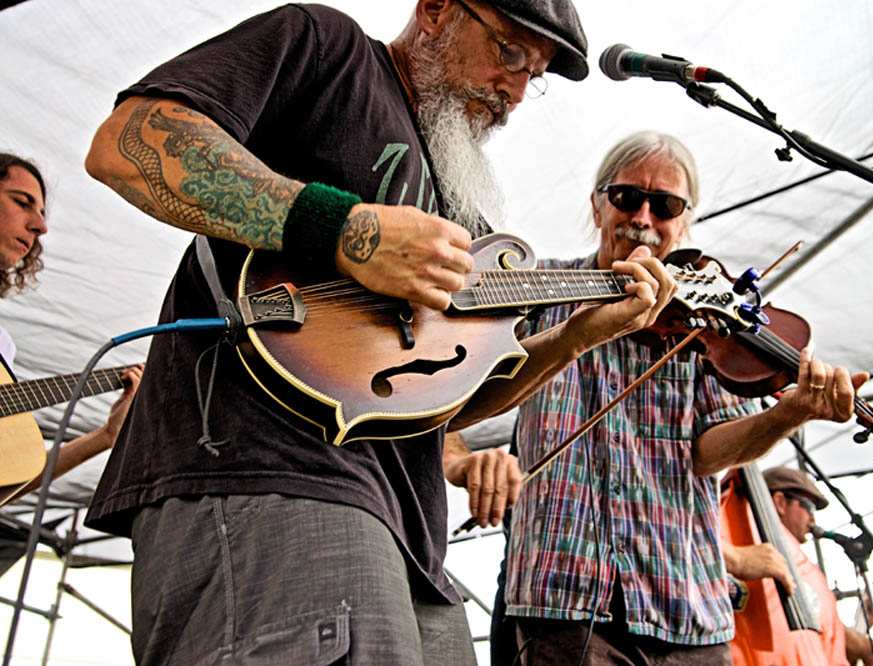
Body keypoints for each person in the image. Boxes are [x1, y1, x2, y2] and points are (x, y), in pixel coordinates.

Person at [82, 3, 677, 664]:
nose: (513, 92)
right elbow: (132, 143)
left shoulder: (462, 204)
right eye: (510, 53)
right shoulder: (328, 49)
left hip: (413, 538)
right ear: (436, 10)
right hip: (265, 472)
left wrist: (574, 339)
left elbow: (444, 400)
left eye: (532, 76)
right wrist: (343, 230)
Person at [496, 130, 870, 665]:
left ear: (683, 221)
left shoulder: (703, 324)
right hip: (566, 594)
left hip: (687, 600)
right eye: (627, 197)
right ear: (598, 205)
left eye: (665, 205)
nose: (644, 217)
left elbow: (708, 451)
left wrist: (789, 411)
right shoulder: (542, 288)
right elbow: (460, 374)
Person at [0, 153, 142, 500]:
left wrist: (106, 435)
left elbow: (11, 481)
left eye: (43, 213)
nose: (40, 226)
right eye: (22, 202)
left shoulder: (3, 346)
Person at [762, 466, 873, 666]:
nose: (813, 519)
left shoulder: (798, 562)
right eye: (808, 506)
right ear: (780, 503)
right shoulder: (768, 556)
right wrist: (857, 642)